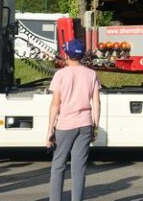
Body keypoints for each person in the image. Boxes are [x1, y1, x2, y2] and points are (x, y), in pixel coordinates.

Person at [47, 39, 101, 201]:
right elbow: (96, 102)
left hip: (65, 125)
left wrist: (49, 130)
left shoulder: (60, 74)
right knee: (79, 169)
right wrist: (95, 126)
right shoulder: (91, 74)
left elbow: (56, 104)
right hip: (85, 124)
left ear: (67, 55)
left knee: (58, 166)